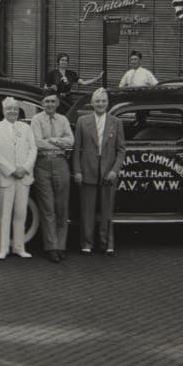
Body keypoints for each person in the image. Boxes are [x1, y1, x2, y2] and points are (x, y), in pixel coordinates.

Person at [72, 87, 127, 255]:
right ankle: (87, 244)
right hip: (88, 171)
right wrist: (78, 171)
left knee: (107, 211)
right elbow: (77, 149)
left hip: (108, 173)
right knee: (87, 211)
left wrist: (114, 170)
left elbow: (121, 150)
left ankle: (107, 244)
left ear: (107, 103)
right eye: (97, 101)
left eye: (103, 101)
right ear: (92, 103)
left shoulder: (116, 122)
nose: (100, 104)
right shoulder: (83, 121)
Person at [0, 98, 38, 259]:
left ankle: (19, 247)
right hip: (4, 177)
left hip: (23, 177)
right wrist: (11, 170)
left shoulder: (26, 128)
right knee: (4, 214)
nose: (12, 112)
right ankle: (3, 249)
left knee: (21, 213)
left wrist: (25, 168)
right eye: (9, 109)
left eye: (15, 109)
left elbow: (33, 149)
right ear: (3, 111)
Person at [31, 89, 75, 263]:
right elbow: (37, 142)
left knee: (61, 206)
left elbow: (71, 141)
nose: (49, 104)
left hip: (60, 163)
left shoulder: (63, 120)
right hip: (42, 165)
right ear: (42, 104)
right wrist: (58, 142)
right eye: (46, 101)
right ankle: (51, 247)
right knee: (47, 207)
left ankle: (61, 245)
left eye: (52, 101)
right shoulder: (36, 119)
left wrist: (52, 140)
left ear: (57, 103)